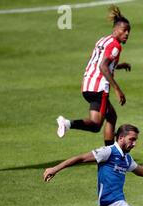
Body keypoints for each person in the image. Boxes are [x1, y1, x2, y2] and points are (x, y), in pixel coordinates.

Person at [56, 6, 132, 146]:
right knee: (96, 125)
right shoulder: (116, 46)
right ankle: (67, 124)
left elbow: (98, 61)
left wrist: (119, 65)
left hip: (87, 85)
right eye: (124, 30)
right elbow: (103, 66)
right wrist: (117, 89)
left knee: (112, 116)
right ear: (115, 29)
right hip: (100, 88)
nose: (127, 33)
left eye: (129, 31)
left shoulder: (103, 40)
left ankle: (110, 153)